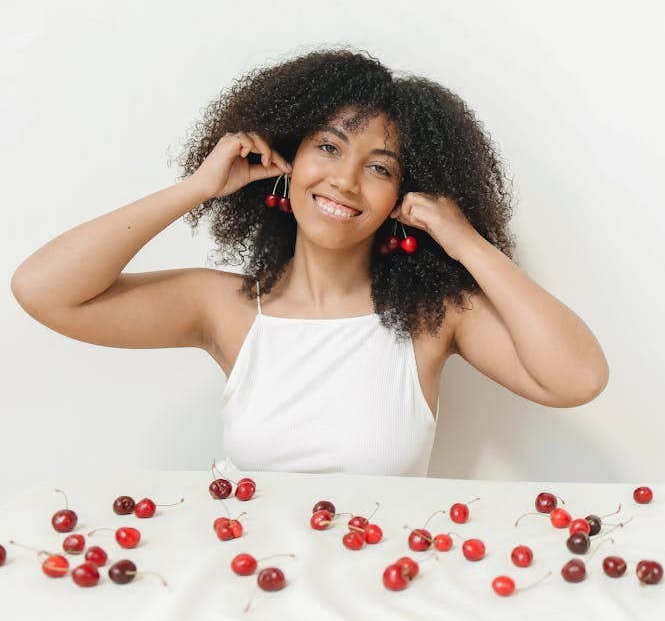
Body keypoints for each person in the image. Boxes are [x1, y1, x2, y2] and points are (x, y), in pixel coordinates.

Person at [10, 49, 609, 476]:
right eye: (327, 147)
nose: (345, 181)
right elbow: (42, 290)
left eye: (379, 167)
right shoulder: (224, 309)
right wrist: (198, 188)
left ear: (406, 197)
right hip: (243, 597)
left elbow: (578, 379)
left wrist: (467, 243)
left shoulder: (433, 318)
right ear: (288, 157)